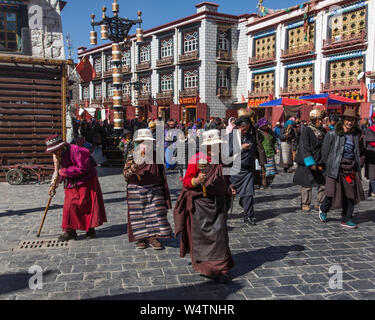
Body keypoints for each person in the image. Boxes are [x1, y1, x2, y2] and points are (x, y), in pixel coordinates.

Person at [174, 129, 236, 283]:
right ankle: (207, 268)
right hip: (201, 206)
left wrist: (230, 188)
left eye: (217, 145)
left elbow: (225, 179)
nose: (215, 148)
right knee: (203, 240)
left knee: (220, 238)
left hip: (218, 204)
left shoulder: (223, 160)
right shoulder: (197, 159)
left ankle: (221, 268)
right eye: (212, 146)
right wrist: (196, 181)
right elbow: (187, 181)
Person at [46, 135, 107, 241]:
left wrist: (65, 172)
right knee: (69, 206)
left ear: (61, 147)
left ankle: (90, 229)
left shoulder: (77, 151)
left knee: (86, 204)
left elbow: (82, 167)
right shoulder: (56, 155)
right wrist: (53, 186)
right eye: (53, 151)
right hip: (70, 182)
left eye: (56, 150)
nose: (55, 153)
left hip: (86, 181)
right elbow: (57, 170)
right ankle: (70, 231)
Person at [124, 129, 173, 250]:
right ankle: (141, 239)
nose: (147, 145)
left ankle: (153, 237)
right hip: (136, 188)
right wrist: (132, 170)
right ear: (139, 142)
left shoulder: (156, 156)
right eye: (144, 142)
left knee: (155, 214)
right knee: (138, 215)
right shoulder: (132, 154)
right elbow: (125, 174)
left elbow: (161, 173)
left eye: (149, 142)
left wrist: (163, 190)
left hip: (154, 189)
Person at [319, 108, 366, 229]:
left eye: (352, 120)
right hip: (335, 167)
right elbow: (325, 152)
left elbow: (360, 151)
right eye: (348, 120)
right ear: (343, 120)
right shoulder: (332, 134)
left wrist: (359, 163)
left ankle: (346, 218)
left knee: (350, 194)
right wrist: (327, 166)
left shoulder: (357, 135)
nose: (350, 122)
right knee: (331, 193)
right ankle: (323, 209)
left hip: (350, 168)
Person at [228, 114, 260, 226]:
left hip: (247, 171)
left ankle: (249, 216)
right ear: (239, 127)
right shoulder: (231, 136)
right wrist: (241, 147)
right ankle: (221, 214)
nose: (245, 131)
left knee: (248, 194)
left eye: (247, 129)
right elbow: (227, 153)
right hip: (234, 170)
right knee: (228, 194)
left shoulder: (250, 136)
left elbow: (256, 150)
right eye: (243, 129)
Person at [293, 109, 326, 212]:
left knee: (323, 183)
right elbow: (304, 147)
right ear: (313, 120)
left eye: (321, 119)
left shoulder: (323, 131)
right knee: (307, 184)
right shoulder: (307, 130)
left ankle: (319, 202)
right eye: (318, 120)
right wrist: (310, 162)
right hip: (308, 161)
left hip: (320, 160)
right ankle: (305, 203)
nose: (320, 122)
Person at [256, 118, 277, 189]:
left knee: (272, 172)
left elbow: (274, 140)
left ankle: (268, 182)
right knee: (263, 171)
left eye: (266, 125)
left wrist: (275, 147)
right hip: (262, 154)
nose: (265, 126)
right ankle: (262, 184)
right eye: (264, 125)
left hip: (270, 153)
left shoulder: (270, 131)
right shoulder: (258, 133)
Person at [364, 113, 375, 198]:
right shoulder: (369, 129)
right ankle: (374, 191)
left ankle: (371, 191)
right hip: (372, 154)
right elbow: (370, 141)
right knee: (372, 174)